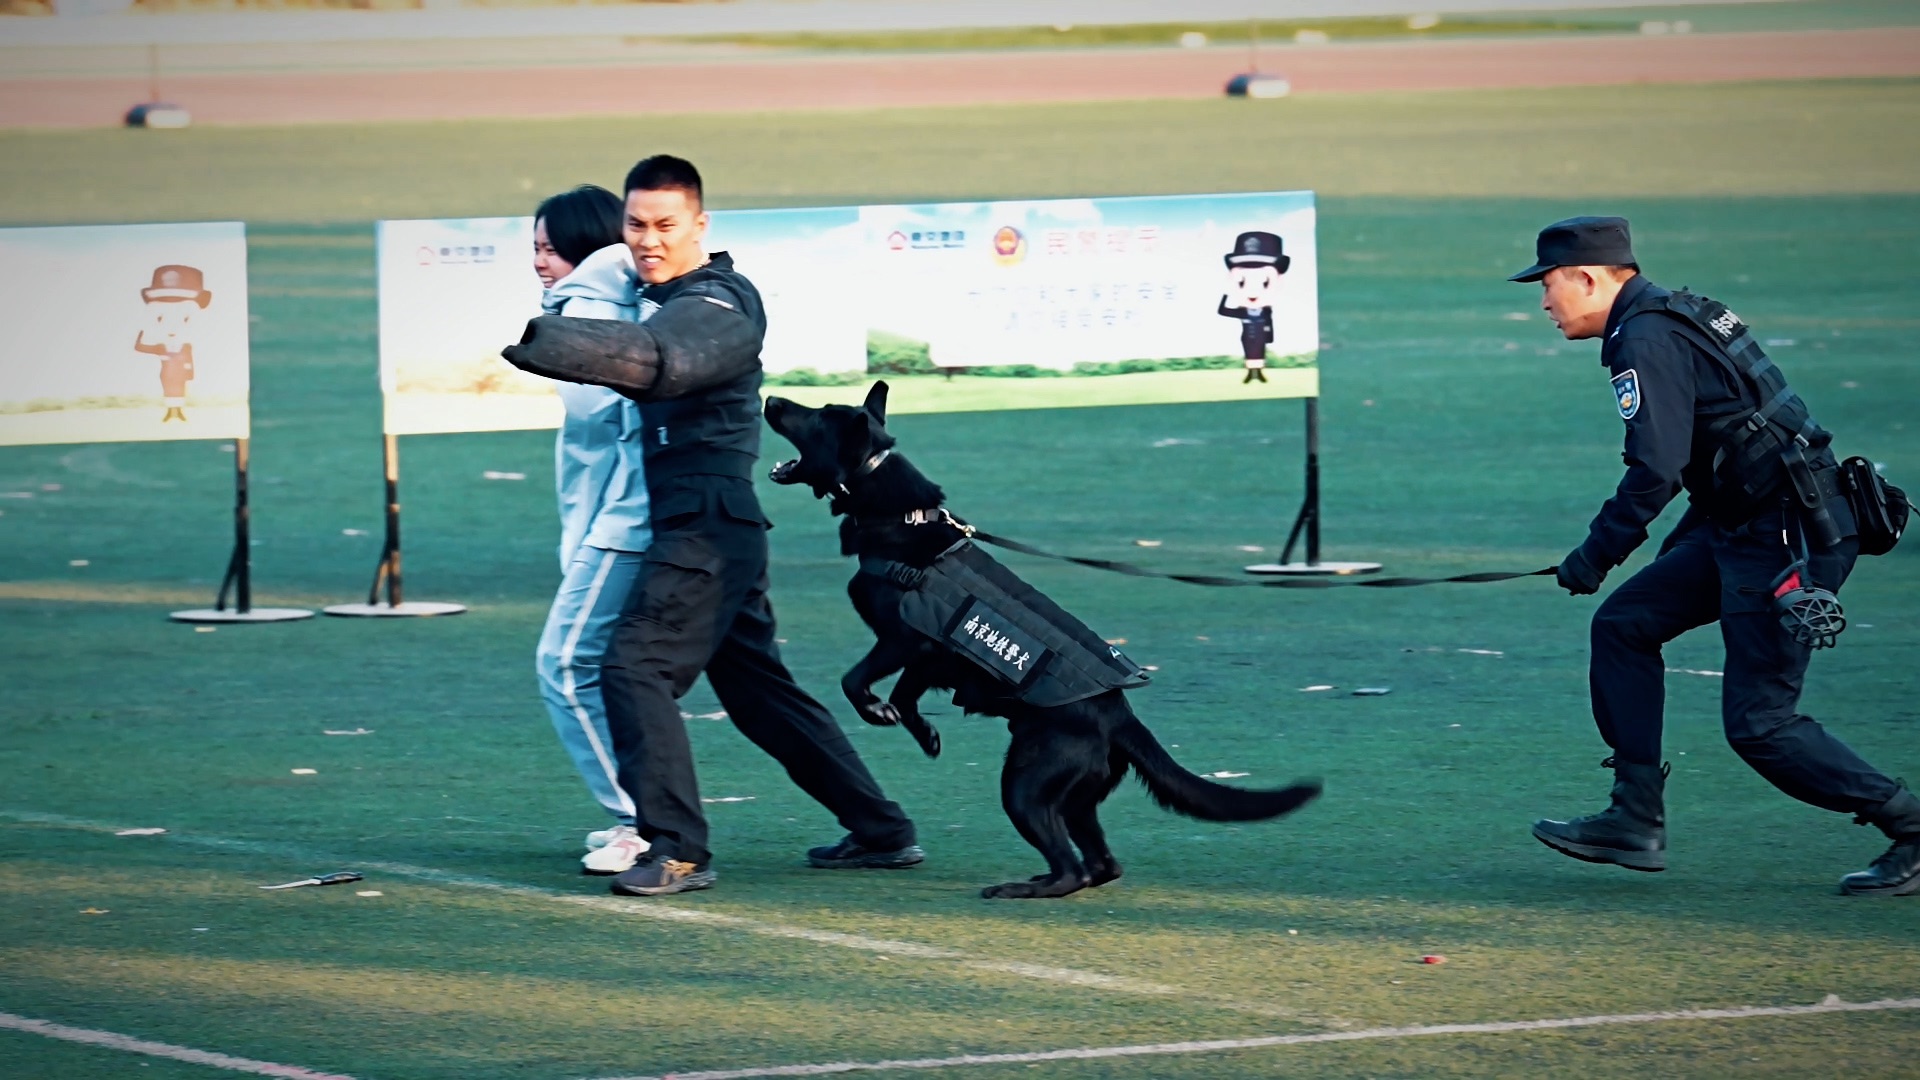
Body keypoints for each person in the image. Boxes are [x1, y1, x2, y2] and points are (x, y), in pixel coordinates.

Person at [504, 155, 920, 896]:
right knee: (760, 692)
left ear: (700, 224)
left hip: (703, 523)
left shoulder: (720, 300)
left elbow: (669, 358)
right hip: (708, 525)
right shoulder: (649, 292)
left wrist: (557, 341)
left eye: (666, 225)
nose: (648, 239)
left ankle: (676, 848)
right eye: (635, 224)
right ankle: (881, 829)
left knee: (632, 667)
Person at [1514, 216, 1918, 897]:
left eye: (1549, 285)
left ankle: (1910, 824)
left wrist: (1596, 554)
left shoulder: (1643, 337)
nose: (1544, 303)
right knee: (1626, 625)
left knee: (1762, 725)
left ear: (1587, 278)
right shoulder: (1673, 313)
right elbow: (1733, 443)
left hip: (1786, 537)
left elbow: (1656, 469)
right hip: (1749, 523)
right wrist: (1678, 550)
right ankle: (1634, 817)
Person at [528, 185, 656, 875]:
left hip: (623, 525)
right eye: (536, 250)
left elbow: (596, 417)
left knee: (565, 667)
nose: (541, 263)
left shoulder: (587, 312)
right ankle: (875, 821)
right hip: (631, 519)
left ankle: (642, 821)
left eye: (550, 249)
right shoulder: (619, 297)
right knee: (753, 683)